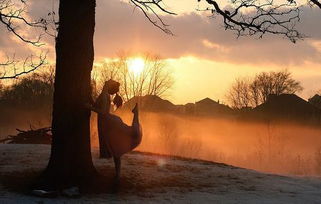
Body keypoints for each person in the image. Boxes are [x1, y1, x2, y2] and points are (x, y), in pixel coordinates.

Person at [87, 79, 142, 179]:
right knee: (115, 148)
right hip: (108, 123)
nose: (104, 83)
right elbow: (97, 105)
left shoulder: (104, 95)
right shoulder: (104, 95)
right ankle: (117, 174)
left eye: (106, 82)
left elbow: (103, 112)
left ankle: (117, 174)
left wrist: (89, 107)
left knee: (116, 147)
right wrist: (90, 99)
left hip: (108, 123)